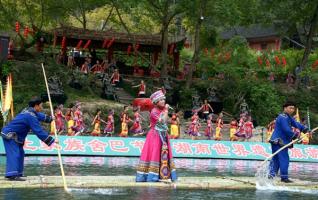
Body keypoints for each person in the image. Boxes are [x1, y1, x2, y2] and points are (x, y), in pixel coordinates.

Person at [1, 97, 56, 181]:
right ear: (36, 106)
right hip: (10, 135)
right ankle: (12, 175)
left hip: (16, 136)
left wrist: (51, 119)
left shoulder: (29, 111)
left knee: (20, 153)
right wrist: (52, 141)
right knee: (14, 153)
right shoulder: (30, 116)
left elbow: (40, 116)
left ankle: (17, 173)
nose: (41, 108)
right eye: (41, 106)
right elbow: (38, 131)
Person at [136, 90, 177, 182]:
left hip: (163, 134)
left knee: (163, 153)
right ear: (156, 102)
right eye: (161, 100)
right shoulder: (154, 111)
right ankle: (153, 176)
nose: (163, 101)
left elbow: (167, 121)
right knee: (155, 153)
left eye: (163, 99)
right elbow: (162, 120)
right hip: (155, 135)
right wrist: (166, 110)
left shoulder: (162, 110)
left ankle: (164, 175)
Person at [269, 102, 310, 183]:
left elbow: (296, 124)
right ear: (285, 108)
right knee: (284, 159)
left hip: (277, 141)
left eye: (293, 108)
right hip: (279, 141)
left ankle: (271, 176)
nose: (292, 110)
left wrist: (305, 130)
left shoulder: (288, 117)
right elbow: (286, 129)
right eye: (290, 108)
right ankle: (284, 178)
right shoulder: (282, 117)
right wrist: (295, 136)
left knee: (276, 159)